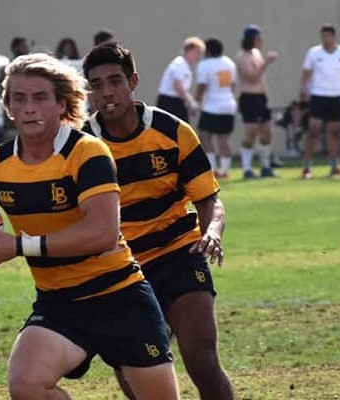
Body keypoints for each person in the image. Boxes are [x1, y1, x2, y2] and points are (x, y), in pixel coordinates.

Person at [0, 53, 180, 400]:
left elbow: (103, 233)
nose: (29, 108)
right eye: (19, 98)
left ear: (61, 104)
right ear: (7, 107)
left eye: (40, 98)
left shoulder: (87, 153)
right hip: (59, 304)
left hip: (121, 299)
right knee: (26, 385)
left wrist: (16, 246)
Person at [82, 41, 234, 400]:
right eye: (97, 84)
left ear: (133, 81)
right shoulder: (82, 146)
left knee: (201, 359)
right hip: (122, 266)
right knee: (133, 367)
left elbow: (209, 199)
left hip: (181, 252)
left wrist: (212, 231)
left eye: (115, 81)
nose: (106, 92)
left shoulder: (172, 131)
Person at [301, 24, 340, 178]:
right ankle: (306, 166)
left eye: (328, 36)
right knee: (313, 131)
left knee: (334, 133)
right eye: (323, 36)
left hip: (337, 97)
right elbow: (306, 73)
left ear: (334, 37)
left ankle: (335, 165)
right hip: (318, 96)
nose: (325, 39)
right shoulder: (314, 53)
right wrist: (304, 90)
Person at [236, 25, 278, 179]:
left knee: (267, 131)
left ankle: (266, 166)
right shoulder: (243, 56)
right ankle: (247, 168)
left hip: (261, 98)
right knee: (251, 133)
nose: (261, 41)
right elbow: (252, 77)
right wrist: (266, 62)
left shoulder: (256, 53)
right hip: (249, 97)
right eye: (258, 38)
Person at [195, 38, 237, 179]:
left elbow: (202, 86)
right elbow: (233, 85)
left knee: (205, 137)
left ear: (207, 50)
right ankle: (225, 170)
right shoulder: (229, 63)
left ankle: (211, 169)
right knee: (224, 139)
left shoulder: (204, 65)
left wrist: (196, 102)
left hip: (212, 106)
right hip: (228, 104)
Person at [156, 36, 206, 122]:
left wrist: (191, 102)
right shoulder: (180, 63)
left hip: (175, 102)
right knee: (181, 130)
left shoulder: (184, 65)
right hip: (170, 102)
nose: (198, 56)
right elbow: (178, 85)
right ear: (189, 51)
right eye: (197, 53)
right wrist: (191, 103)